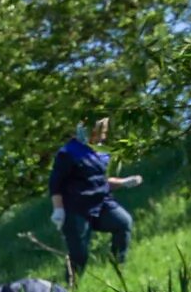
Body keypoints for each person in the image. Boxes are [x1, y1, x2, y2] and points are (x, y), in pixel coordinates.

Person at [47, 117, 141, 281]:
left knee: (123, 223)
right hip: (76, 209)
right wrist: (58, 209)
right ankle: (71, 288)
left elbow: (100, 181)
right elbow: (55, 184)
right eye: (100, 132)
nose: (103, 136)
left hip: (102, 203)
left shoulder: (101, 153)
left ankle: (119, 268)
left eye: (104, 132)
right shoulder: (68, 153)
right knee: (79, 255)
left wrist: (124, 182)